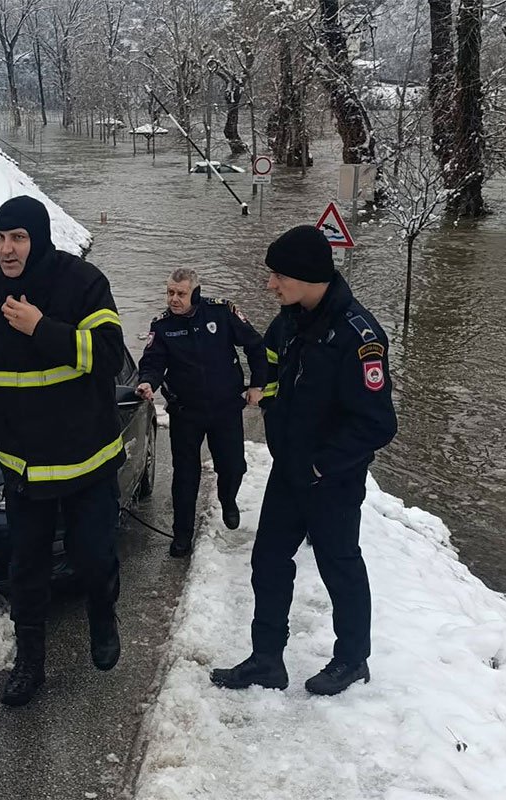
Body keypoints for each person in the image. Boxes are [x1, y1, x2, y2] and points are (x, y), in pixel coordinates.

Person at [0, 195, 125, 707]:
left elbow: (107, 356)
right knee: (27, 570)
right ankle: (29, 663)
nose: (7, 249)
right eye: (0, 238)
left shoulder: (82, 283)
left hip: (88, 464)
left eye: (19, 238)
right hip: (24, 469)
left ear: (39, 239)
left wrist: (41, 327)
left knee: (93, 559)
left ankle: (103, 616)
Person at [210, 225, 397, 696]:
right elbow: (270, 369)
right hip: (289, 469)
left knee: (340, 565)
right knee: (269, 560)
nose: (271, 285)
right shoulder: (288, 320)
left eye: (278, 276)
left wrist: (321, 465)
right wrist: (272, 412)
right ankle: (267, 659)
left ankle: (353, 660)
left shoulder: (359, 335)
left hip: (331, 479)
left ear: (310, 277)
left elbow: (377, 424)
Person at [136, 267, 266, 557]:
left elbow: (255, 345)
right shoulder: (163, 326)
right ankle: (182, 535)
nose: (174, 299)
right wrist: (148, 383)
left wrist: (258, 384)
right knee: (185, 476)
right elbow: (153, 363)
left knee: (233, 466)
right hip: (186, 413)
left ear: (195, 292)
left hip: (225, 409)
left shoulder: (221, 313)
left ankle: (227, 498)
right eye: (170, 292)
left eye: (181, 294)